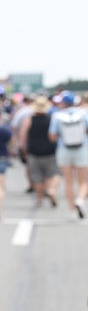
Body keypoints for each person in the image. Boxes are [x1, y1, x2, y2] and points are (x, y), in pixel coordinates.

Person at [48, 92, 88, 220]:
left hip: (64, 149)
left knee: (68, 182)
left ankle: (72, 211)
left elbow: (52, 136)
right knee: (83, 181)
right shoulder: (83, 114)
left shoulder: (57, 116)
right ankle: (80, 199)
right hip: (82, 149)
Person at [18, 96, 59, 209]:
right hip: (50, 151)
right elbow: (55, 136)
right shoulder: (52, 119)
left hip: (34, 152)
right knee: (53, 173)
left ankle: (40, 198)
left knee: (37, 176)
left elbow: (23, 136)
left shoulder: (29, 120)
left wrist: (24, 150)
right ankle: (51, 189)